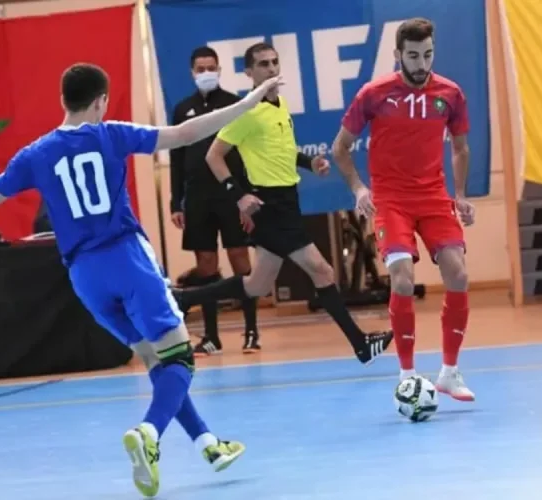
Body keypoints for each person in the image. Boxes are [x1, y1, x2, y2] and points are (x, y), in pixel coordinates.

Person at [0, 63, 282, 498]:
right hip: (126, 258)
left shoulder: (34, 153)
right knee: (180, 358)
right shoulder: (111, 134)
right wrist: (249, 101)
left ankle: (208, 444)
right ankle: (149, 433)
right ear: (101, 101)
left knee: (158, 361)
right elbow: (184, 134)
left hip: (84, 276)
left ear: (63, 101)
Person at [173, 43, 393, 365]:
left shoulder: (279, 105)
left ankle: (183, 298)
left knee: (256, 285)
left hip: (288, 202)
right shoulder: (246, 111)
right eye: (263, 64)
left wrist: (308, 163)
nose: (272, 68)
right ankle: (361, 344)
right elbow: (213, 156)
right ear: (249, 73)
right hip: (271, 206)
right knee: (322, 269)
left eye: (275, 62)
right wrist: (239, 194)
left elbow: (283, 150)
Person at [332, 18, 476, 401]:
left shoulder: (451, 94)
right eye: (413, 56)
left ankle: (449, 371)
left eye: (428, 54)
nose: (421, 63)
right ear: (398, 55)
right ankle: (408, 375)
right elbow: (340, 148)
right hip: (391, 201)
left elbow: (460, 148)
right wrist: (359, 188)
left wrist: (459, 194)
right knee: (402, 280)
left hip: (433, 197)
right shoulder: (374, 94)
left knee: (458, 274)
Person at [169, 46, 259, 357]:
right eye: (200, 68)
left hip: (230, 196)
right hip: (196, 199)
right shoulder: (182, 109)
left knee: (240, 259)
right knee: (205, 264)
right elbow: (176, 158)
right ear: (192, 72)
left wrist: (246, 196)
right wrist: (174, 202)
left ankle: (251, 331)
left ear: (219, 69)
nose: (206, 73)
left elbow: (245, 153)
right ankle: (211, 336)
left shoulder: (234, 104)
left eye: (211, 67)